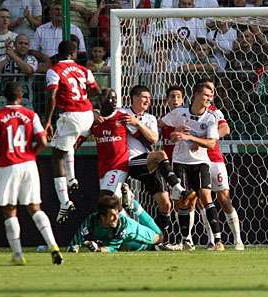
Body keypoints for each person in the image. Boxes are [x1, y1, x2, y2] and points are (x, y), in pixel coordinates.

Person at [0, 81, 63, 265]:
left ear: (5, 97)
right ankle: (53, 246)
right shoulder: (31, 115)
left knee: (10, 209)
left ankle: (18, 254)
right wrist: (30, 154)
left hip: (8, 165)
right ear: (21, 97)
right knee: (35, 207)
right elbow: (43, 141)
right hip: (29, 165)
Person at [121, 85, 194, 246]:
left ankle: (157, 241)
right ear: (134, 98)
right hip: (129, 161)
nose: (148, 100)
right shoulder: (123, 113)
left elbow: (153, 139)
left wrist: (138, 124)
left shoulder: (151, 119)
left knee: (166, 205)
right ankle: (178, 188)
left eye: (149, 97)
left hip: (147, 162)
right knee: (161, 154)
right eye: (144, 97)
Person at [160, 82, 225, 251]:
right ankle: (186, 240)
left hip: (201, 162)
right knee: (183, 200)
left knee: (205, 197)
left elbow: (211, 144)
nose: (208, 99)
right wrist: (174, 134)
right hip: (180, 161)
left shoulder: (211, 117)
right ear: (196, 95)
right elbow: (159, 124)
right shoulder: (179, 113)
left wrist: (191, 138)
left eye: (210, 96)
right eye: (205, 95)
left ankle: (218, 241)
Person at [45, 40, 100, 223]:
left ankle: (64, 201)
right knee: (68, 143)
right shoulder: (85, 70)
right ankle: (72, 179)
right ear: (74, 53)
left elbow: (51, 96)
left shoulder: (54, 70)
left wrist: (47, 121)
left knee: (57, 156)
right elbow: (95, 91)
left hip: (71, 114)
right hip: (87, 115)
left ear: (59, 53)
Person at [198, 78, 244, 251]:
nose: (210, 95)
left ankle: (238, 240)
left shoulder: (214, 112)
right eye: (207, 91)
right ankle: (212, 240)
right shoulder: (187, 112)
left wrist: (205, 138)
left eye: (212, 92)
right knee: (203, 199)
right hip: (196, 159)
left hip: (214, 158)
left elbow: (225, 129)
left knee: (223, 198)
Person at [75, 89, 129, 197]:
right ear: (101, 101)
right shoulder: (94, 121)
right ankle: (132, 202)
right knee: (112, 204)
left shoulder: (123, 117)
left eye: (115, 99)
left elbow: (141, 134)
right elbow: (78, 141)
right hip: (103, 168)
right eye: (110, 98)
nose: (114, 101)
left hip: (119, 165)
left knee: (106, 197)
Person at [67, 195, 163, 253]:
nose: (116, 218)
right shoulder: (92, 220)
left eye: (117, 213)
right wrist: (73, 247)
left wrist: (98, 249)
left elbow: (113, 248)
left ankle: (133, 204)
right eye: (112, 215)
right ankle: (152, 247)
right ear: (102, 217)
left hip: (134, 231)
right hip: (119, 239)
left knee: (160, 238)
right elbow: (77, 239)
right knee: (124, 246)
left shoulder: (122, 225)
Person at [0, 34, 38, 109]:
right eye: (20, 43)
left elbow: (29, 71)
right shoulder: (4, 57)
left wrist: (14, 57)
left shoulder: (31, 59)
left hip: (25, 99)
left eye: (26, 44)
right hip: (6, 100)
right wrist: (7, 59)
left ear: (29, 46)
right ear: (14, 44)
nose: (23, 46)